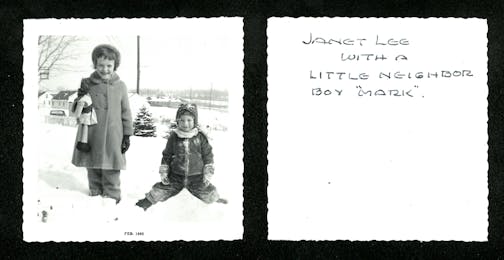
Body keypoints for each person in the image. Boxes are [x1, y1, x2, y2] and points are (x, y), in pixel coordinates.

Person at [71, 44, 133, 212]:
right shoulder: (87, 84)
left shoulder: (121, 86)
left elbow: (126, 111)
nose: (105, 69)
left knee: (112, 166)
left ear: (115, 66)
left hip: (114, 134)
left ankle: (112, 199)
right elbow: (76, 109)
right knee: (92, 164)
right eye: (100, 65)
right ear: (94, 64)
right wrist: (80, 99)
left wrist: (127, 135)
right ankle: (95, 194)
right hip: (91, 133)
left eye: (109, 66)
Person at [135, 103, 227, 211]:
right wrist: (164, 171)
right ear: (177, 121)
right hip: (176, 176)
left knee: (208, 192)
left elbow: (208, 155)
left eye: (189, 120)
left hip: (197, 177)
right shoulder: (174, 136)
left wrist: (207, 173)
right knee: (161, 190)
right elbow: (167, 155)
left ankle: (218, 203)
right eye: (182, 120)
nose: (185, 123)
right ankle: (146, 202)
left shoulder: (200, 137)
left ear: (195, 121)